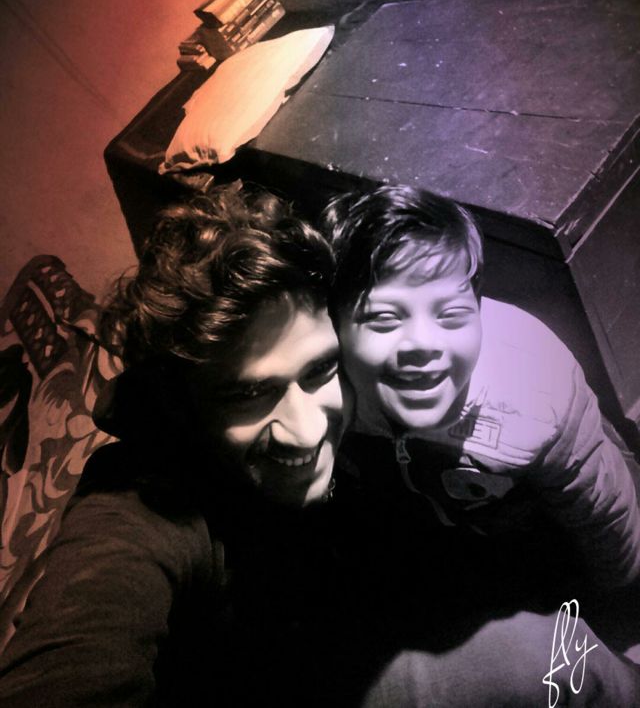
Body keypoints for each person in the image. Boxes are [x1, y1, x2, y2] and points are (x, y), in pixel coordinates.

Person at [1, 183, 638, 707]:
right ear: (184, 401)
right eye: (249, 395)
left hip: (363, 601)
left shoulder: (411, 387)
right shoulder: (142, 505)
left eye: (318, 371)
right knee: (557, 665)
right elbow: (77, 653)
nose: (307, 432)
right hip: (285, 679)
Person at [322, 183, 640, 691]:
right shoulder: (325, 393)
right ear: (335, 326)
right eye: (383, 317)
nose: (422, 343)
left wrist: (619, 596)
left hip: (542, 528)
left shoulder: (534, 386)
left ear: (479, 310)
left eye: (451, 314)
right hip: (449, 527)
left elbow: (602, 505)